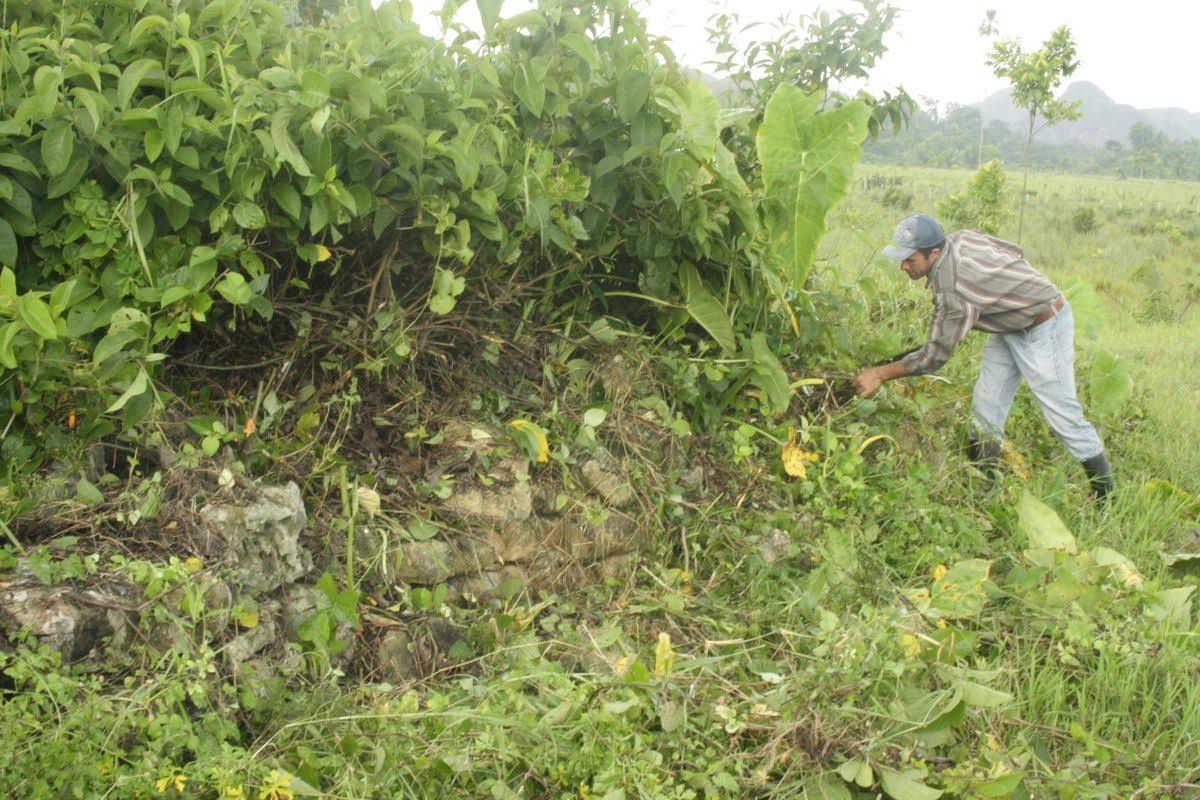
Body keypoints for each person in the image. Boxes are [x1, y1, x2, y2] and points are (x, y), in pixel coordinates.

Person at [852, 213, 1114, 500]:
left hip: (1045, 324)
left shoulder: (953, 289)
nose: (903, 266)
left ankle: (1106, 499)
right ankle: (983, 492)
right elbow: (1014, 252)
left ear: (934, 252)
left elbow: (934, 356)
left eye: (910, 260)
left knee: (1062, 415)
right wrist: (1006, 292)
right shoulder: (961, 238)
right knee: (985, 408)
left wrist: (878, 374)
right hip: (1010, 323)